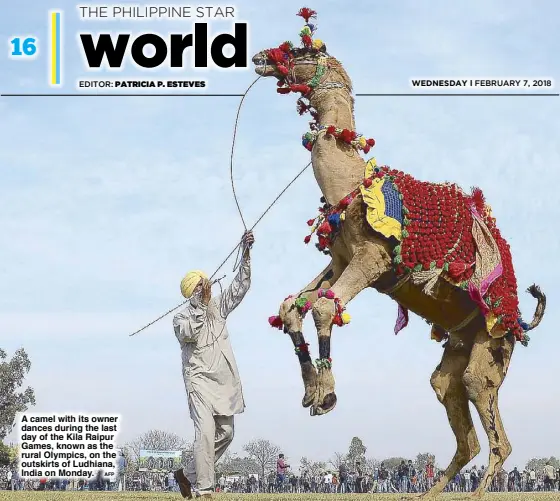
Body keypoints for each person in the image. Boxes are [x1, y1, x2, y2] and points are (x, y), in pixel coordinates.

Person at [173, 230, 254, 499]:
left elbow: (239, 288)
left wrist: (245, 254)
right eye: (197, 287)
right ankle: (204, 490)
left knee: (227, 433)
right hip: (198, 382)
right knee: (205, 434)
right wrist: (199, 307)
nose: (202, 289)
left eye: (203, 285)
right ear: (190, 293)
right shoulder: (180, 317)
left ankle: (187, 474)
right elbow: (189, 334)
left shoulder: (218, 307)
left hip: (221, 382)